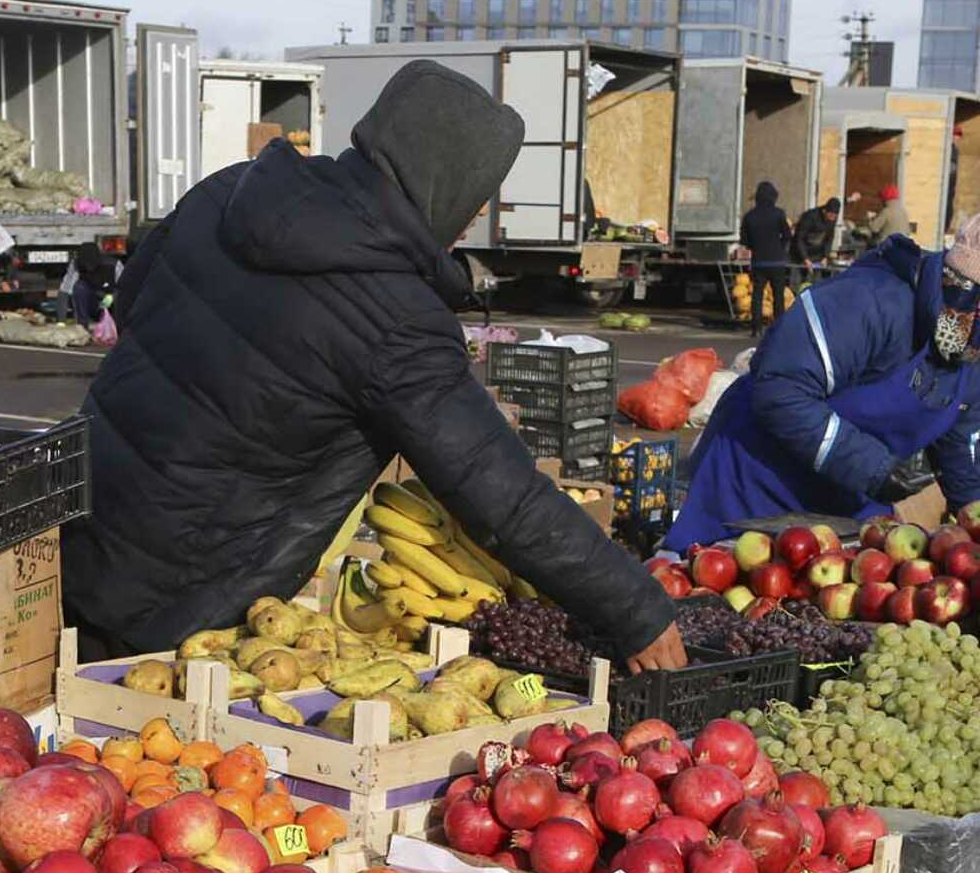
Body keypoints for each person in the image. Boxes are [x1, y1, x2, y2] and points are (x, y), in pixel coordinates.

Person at [63, 60, 685, 672]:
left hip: (82, 532)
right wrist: (636, 610)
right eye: (476, 198)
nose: (473, 218)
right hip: (182, 604)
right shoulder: (395, 320)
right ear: (443, 185)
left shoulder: (227, 192)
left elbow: (136, 302)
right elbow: (503, 499)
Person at [664, 215, 980, 554]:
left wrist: (972, 519)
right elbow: (781, 389)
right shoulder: (870, 302)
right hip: (756, 480)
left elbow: (961, 440)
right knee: (714, 592)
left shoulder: (968, 349)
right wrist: (870, 467)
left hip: (846, 500)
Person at [740, 181, 791, 337]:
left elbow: (745, 241)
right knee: (778, 296)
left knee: (757, 295)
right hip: (777, 261)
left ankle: (756, 328)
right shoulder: (779, 214)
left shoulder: (749, 216)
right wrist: (780, 248)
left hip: (759, 261)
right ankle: (779, 328)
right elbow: (787, 235)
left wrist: (755, 247)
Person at [791, 197, 841, 271]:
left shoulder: (832, 218)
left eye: (834, 217)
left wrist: (825, 256)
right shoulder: (810, 216)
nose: (832, 219)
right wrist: (805, 258)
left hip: (817, 254)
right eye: (830, 216)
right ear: (825, 211)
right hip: (802, 252)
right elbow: (799, 238)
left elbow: (829, 238)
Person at [69, 243, 112, 329]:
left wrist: (109, 299)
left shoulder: (112, 265)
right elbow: (65, 291)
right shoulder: (77, 266)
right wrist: (61, 320)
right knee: (79, 288)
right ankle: (83, 327)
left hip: (110, 303)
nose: (89, 267)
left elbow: (124, 289)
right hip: (93, 303)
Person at [947, 126, 962, 234]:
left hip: (951, 187)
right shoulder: (948, 150)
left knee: (950, 210)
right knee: (947, 209)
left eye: (958, 136)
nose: (956, 138)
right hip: (946, 187)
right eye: (955, 135)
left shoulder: (955, 150)